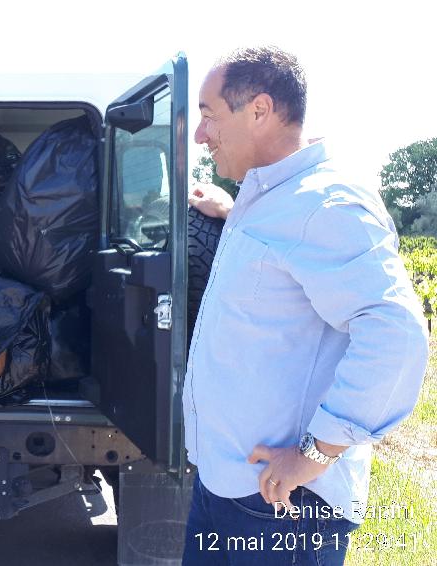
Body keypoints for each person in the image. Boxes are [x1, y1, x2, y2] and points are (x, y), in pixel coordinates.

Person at [182, 46, 429, 566]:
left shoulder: (328, 204)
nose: (201, 135)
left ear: (260, 110)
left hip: (281, 506)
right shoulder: (270, 200)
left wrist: (316, 454)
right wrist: (230, 214)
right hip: (227, 487)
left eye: (208, 115)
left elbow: (396, 337)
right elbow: (283, 259)